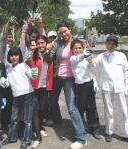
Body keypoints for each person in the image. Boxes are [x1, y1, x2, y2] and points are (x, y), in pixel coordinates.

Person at [87, 35, 128, 146]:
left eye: (113, 44)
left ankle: (126, 134)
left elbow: (126, 71)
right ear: (105, 43)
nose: (110, 46)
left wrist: (127, 85)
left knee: (123, 111)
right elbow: (93, 64)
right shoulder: (102, 56)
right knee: (108, 110)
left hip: (119, 87)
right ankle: (109, 132)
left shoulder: (121, 56)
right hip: (107, 87)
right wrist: (89, 59)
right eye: (109, 43)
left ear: (116, 45)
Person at [44, 21, 87, 149]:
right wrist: (47, 51)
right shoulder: (57, 43)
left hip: (70, 79)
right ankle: (57, 119)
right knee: (52, 100)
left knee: (71, 106)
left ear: (70, 29)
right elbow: (48, 58)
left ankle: (81, 137)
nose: (63, 34)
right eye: (60, 32)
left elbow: (85, 60)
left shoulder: (77, 44)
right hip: (58, 77)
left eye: (65, 31)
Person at [0, 47, 38, 149]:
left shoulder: (24, 66)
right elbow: (8, 83)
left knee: (27, 119)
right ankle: (11, 137)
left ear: (20, 56)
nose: (14, 57)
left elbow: (32, 76)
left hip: (27, 94)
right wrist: (4, 82)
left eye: (16, 55)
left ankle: (26, 140)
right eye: (12, 55)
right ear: (9, 57)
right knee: (14, 118)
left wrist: (34, 73)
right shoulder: (9, 69)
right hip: (16, 96)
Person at [26, 35, 54, 148]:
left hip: (44, 87)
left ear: (46, 43)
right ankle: (38, 137)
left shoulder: (49, 56)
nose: (40, 45)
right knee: (35, 111)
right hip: (33, 88)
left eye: (43, 43)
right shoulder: (32, 55)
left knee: (43, 109)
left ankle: (39, 126)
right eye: (38, 43)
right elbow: (26, 68)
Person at [69, 39, 101, 140]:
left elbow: (91, 70)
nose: (78, 50)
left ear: (82, 48)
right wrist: (83, 55)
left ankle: (94, 128)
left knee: (91, 107)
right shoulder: (73, 59)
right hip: (80, 86)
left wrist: (95, 83)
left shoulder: (86, 58)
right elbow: (76, 59)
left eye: (80, 48)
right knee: (80, 108)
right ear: (72, 49)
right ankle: (80, 128)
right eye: (75, 48)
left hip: (89, 84)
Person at [0, 21, 14, 131]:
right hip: (4, 80)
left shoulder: (13, 48)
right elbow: (3, 42)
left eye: (11, 37)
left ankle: (8, 121)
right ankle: (3, 124)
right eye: (8, 37)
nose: (10, 39)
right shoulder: (3, 49)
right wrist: (6, 28)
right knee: (4, 102)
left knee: (10, 102)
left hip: (12, 80)